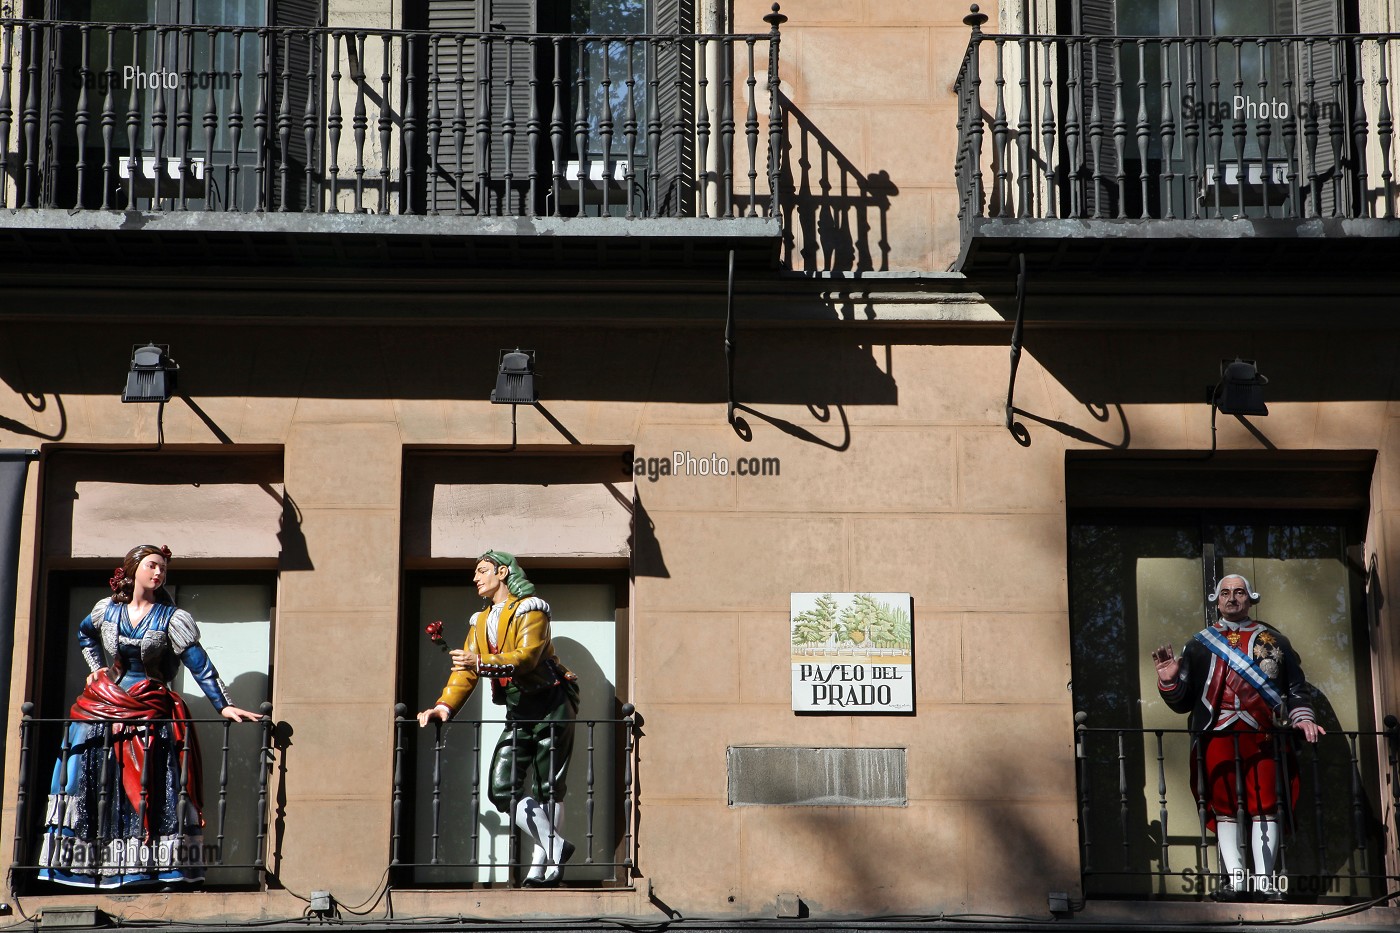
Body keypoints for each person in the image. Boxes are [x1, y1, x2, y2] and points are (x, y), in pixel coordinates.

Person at [37, 544, 263, 888]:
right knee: (93, 780)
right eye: (153, 566)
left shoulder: (172, 619)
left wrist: (224, 705)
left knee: (155, 788)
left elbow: (199, 664)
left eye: (163, 569)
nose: (159, 573)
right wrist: (97, 669)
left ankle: (151, 866)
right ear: (134, 569)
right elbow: (85, 635)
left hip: (151, 705)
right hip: (103, 704)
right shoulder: (105, 611)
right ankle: (91, 865)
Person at [1151, 573, 1324, 902]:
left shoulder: (1273, 641)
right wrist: (1169, 680)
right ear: (1217, 600)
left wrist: (1303, 719)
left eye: (1239, 592)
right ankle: (1237, 880)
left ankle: (1265, 882)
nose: (1232, 598)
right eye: (1226, 592)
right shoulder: (1200, 644)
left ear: (1251, 598)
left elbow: (1295, 690)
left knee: (1267, 807)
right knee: (1225, 808)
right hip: (1217, 734)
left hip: (1262, 735)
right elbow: (1183, 702)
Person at [418, 550, 580, 886]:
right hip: (519, 709)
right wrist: (443, 707)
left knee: (550, 786)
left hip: (551, 702)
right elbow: (465, 674)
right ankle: (556, 846)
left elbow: (526, 658)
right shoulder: (479, 622)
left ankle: (542, 867)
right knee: (501, 788)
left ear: (502, 572)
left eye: (481, 571)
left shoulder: (530, 609)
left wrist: (480, 663)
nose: (476, 578)